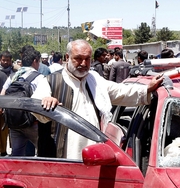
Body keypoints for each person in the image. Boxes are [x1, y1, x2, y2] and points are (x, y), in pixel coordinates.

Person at [36, 39, 164, 160]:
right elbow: (37, 107)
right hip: (64, 157)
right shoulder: (51, 81)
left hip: (93, 153)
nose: (83, 63)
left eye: (87, 59)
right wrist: (46, 101)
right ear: (67, 58)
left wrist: (147, 89)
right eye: (78, 59)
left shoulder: (94, 79)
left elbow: (120, 91)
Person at [1, 47, 50, 156]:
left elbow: (2, 97)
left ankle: (17, 173)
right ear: (35, 61)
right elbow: (45, 100)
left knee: (17, 155)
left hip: (14, 123)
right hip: (33, 124)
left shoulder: (13, 77)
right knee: (44, 153)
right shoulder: (40, 78)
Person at [0, 51, 15, 156]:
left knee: (14, 129)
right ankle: (3, 151)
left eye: (8, 60)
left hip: (13, 104)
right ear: (0, 60)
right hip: (1, 105)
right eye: (3, 60)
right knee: (2, 130)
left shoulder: (14, 71)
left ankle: (15, 149)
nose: (5, 62)